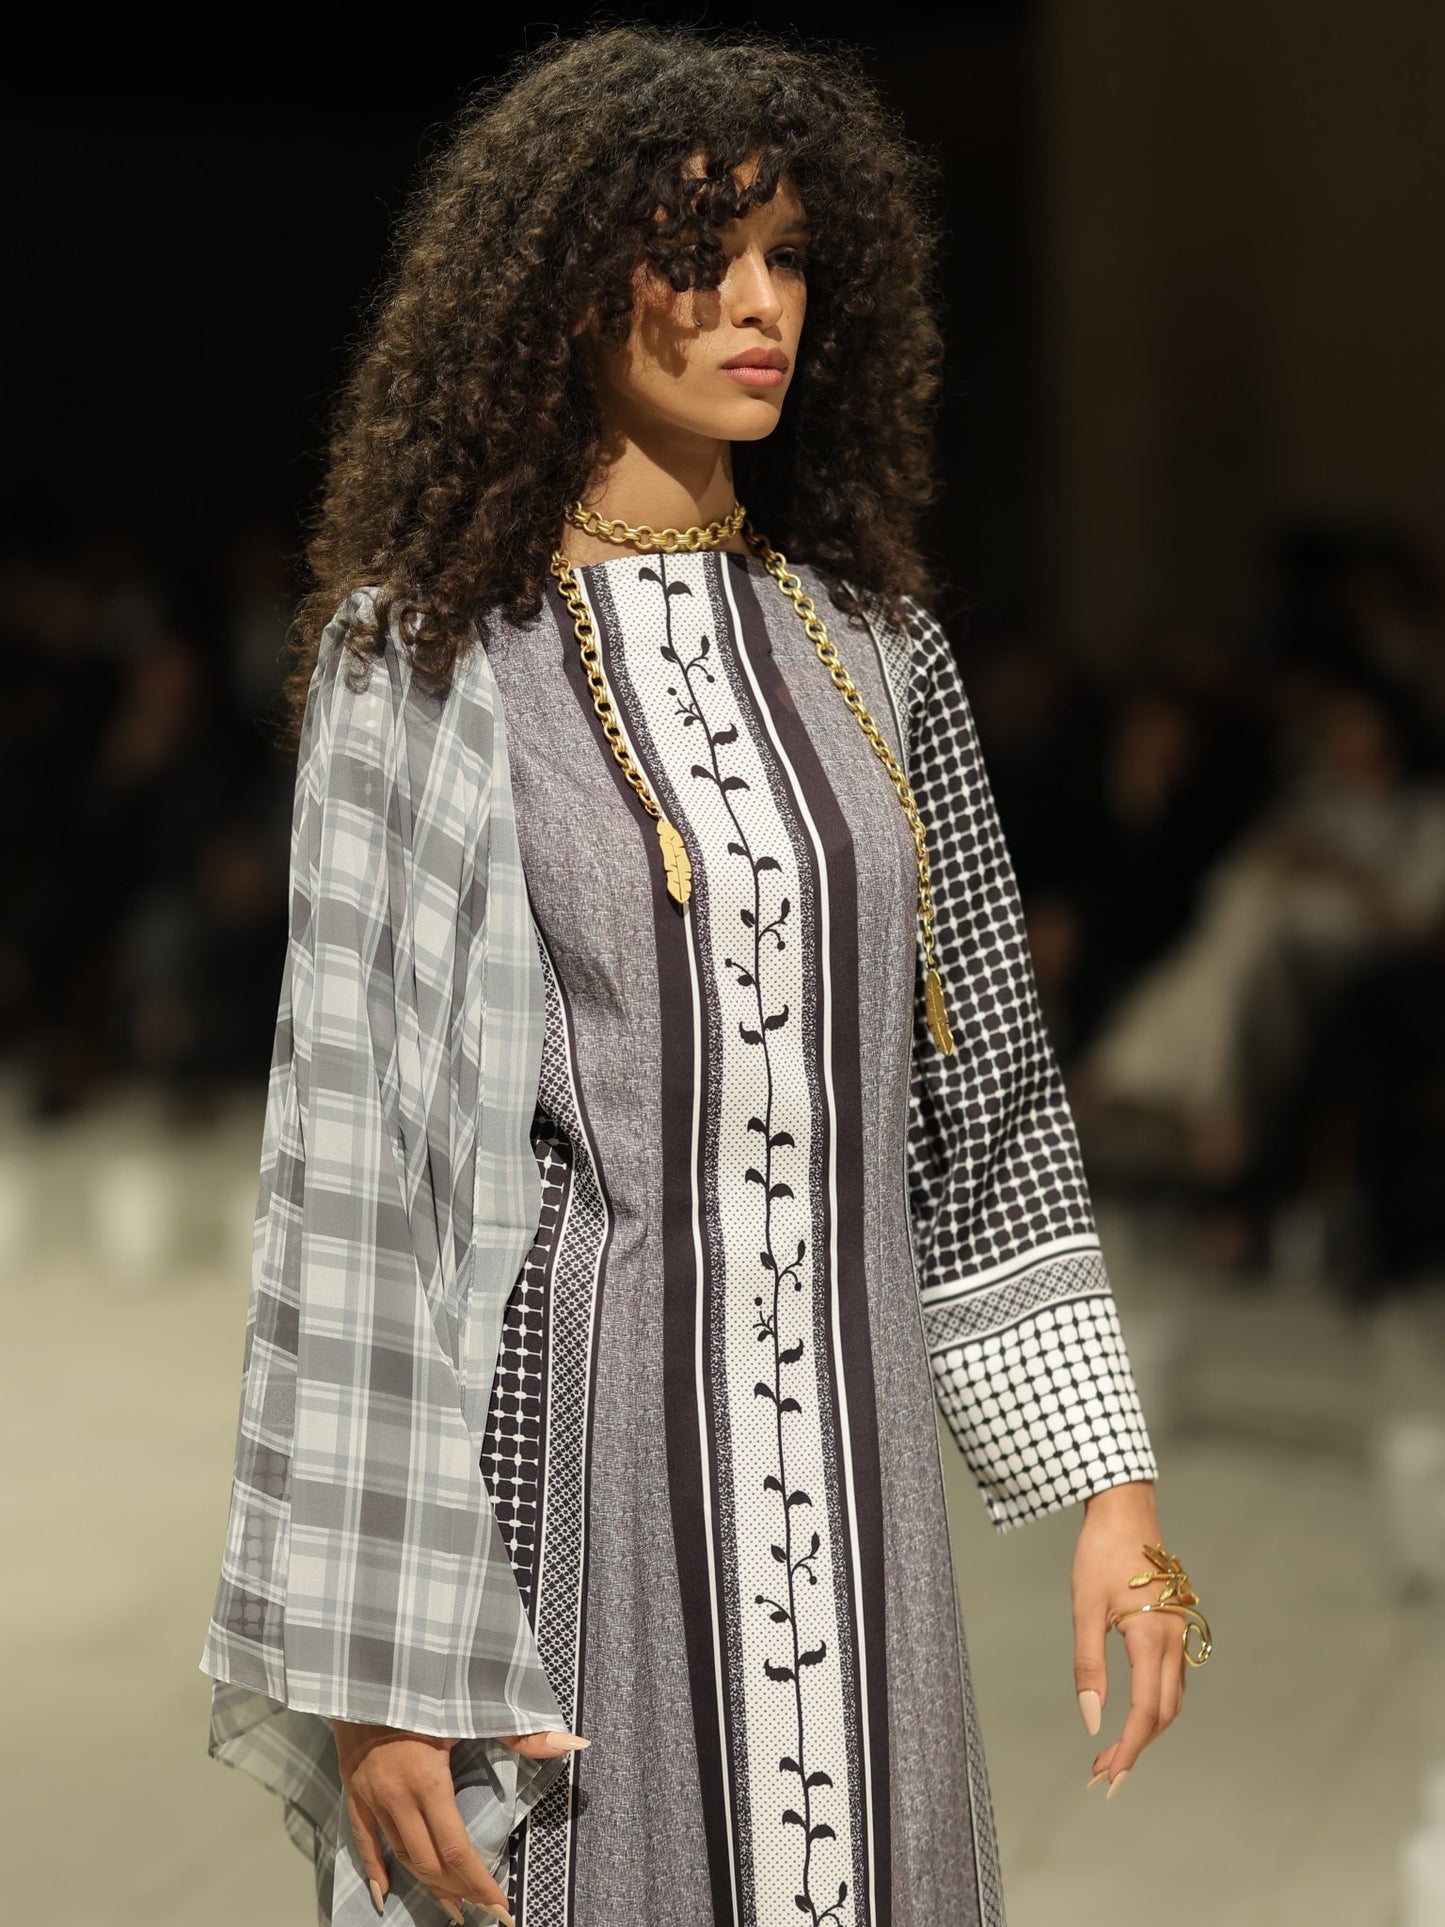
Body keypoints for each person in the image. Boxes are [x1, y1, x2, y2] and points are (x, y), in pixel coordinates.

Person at [198, 24, 1204, 1927]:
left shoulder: (872, 653)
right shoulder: (428, 662)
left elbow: (986, 1107)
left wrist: (1114, 1493)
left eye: (790, 258)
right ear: (563, 288)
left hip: (862, 1481)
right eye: (697, 254)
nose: (759, 305)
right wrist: (374, 1654)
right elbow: (353, 1166)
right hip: (570, 1487)